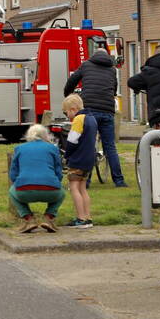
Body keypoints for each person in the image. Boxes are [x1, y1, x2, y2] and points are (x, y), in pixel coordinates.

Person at [64, 48, 128, 187]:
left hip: (90, 111)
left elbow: (72, 80)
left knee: (88, 144)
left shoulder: (86, 64)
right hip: (107, 111)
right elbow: (114, 88)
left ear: (93, 55)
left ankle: (86, 181)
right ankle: (119, 181)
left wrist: (68, 95)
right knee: (110, 147)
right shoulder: (112, 69)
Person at [8, 124, 65, 233]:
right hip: (51, 191)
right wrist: (54, 182)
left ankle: (29, 219)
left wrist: (19, 183)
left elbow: (13, 174)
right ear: (45, 135)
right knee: (62, 193)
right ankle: (49, 217)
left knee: (11, 192)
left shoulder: (19, 148)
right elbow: (59, 172)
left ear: (28, 135)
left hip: (23, 190)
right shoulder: (53, 148)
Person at [61, 93, 97, 229]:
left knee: (74, 187)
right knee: (83, 188)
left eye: (67, 113)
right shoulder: (92, 118)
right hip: (89, 159)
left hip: (78, 158)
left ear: (73, 109)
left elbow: (72, 140)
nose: (68, 117)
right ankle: (88, 217)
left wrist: (67, 154)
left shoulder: (78, 119)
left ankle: (80, 218)